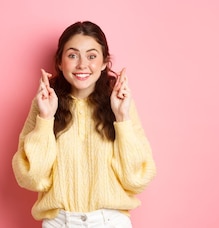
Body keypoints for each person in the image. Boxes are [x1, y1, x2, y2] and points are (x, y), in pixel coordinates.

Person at [12, 21, 156, 228]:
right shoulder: (44, 103)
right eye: (72, 55)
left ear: (105, 62)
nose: (82, 65)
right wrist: (45, 119)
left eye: (91, 56)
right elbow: (30, 178)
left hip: (111, 222)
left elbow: (136, 179)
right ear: (60, 62)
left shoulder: (120, 104)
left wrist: (122, 118)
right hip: (58, 222)